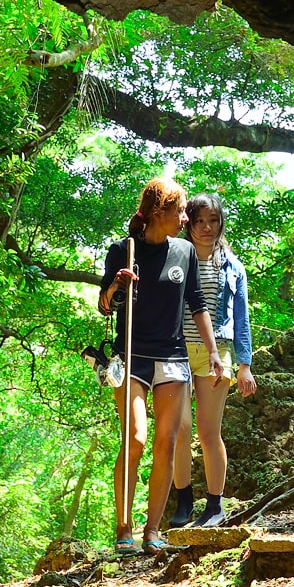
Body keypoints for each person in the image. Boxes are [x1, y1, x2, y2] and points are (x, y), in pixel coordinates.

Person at [99, 178, 221, 554]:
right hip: (131, 356)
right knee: (134, 439)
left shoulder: (184, 252)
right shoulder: (123, 250)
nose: (185, 218)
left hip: (172, 357)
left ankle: (152, 531)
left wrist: (213, 353)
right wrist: (117, 286)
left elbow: (197, 303)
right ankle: (124, 528)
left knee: (166, 443)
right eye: (180, 211)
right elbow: (104, 305)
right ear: (159, 212)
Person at [169, 196, 258, 528]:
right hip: (175, 350)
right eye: (199, 221)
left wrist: (244, 364)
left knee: (208, 432)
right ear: (188, 224)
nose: (207, 228)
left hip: (215, 351)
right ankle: (183, 501)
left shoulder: (232, 266)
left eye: (213, 220)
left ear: (221, 223)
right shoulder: (175, 257)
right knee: (177, 430)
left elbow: (241, 317)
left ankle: (215, 505)